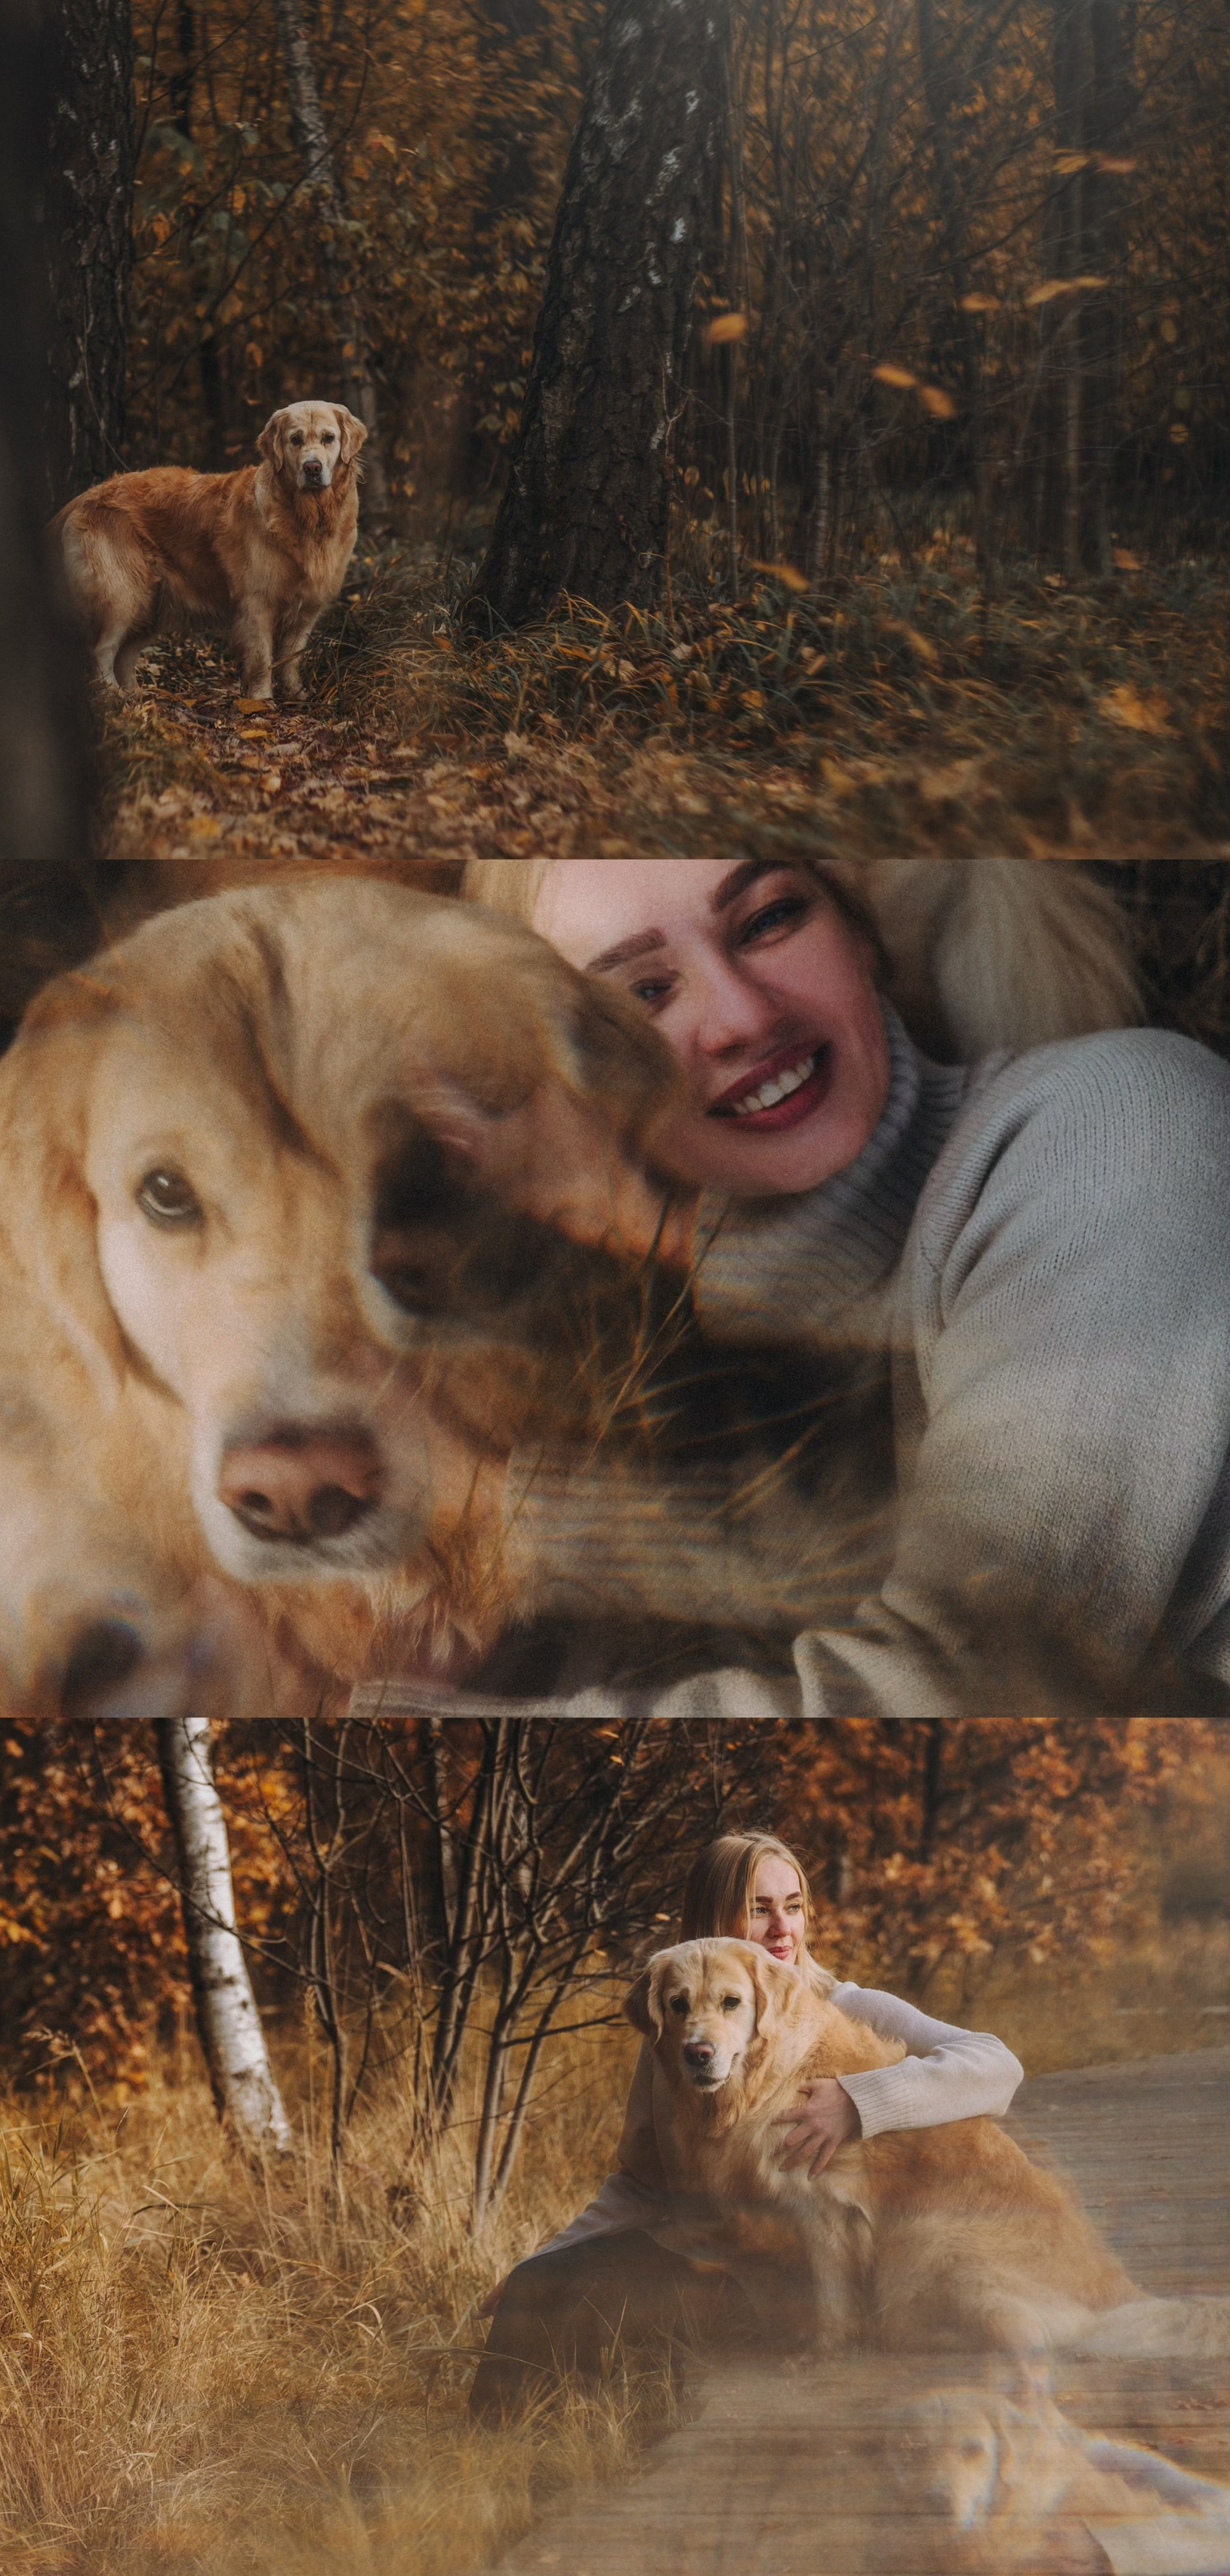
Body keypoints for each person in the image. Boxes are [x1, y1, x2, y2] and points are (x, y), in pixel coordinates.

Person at [436, 855, 1230, 1719]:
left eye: (769, 920)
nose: (743, 1015)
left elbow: (977, 1679)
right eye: (643, 994)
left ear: (858, 930)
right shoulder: (714, 1363)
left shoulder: (1112, 1123)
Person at [467, 1831, 1023, 2419]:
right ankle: (501, 2458)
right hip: (703, 2258)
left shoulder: (848, 2007)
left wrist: (862, 2100)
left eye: (794, 1906)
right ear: (715, 1917)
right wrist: (545, 2261)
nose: (783, 1927)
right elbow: (640, 2180)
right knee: (541, 2286)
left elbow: (997, 2065)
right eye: (759, 1910)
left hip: (803, 2275)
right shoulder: (682, 2032)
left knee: (621, 2314)